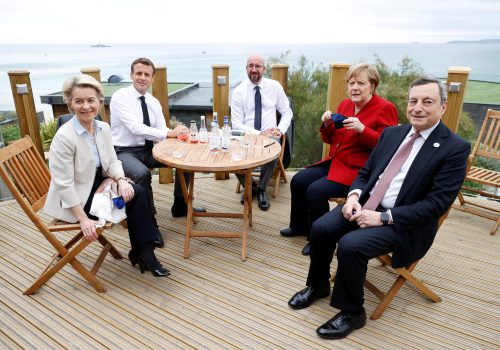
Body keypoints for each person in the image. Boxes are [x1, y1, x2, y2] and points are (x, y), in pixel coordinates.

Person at [287, 76, 470, 339]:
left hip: (404, 223)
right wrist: (353, 196)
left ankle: (352, 312)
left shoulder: (454, 148)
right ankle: (317, 286)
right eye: (413, 101)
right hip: (364, 205)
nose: (418, 107)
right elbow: (366, 171)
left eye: (427, 101)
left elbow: (436, 205)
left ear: (442, 107)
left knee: (351, 246)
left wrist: (383, 217)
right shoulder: (392, 134)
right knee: (321, 227)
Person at [44, 75, 169, 277]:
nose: (86, 106)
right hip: (75, 200)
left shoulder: (103, 128)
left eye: (91, 100)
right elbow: (63, 184)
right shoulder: (64, 137)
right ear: (70, 104)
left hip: (99, 186)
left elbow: (111, 161)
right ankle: (141, 253)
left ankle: (145, 252)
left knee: (137, 192)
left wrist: (121, 180)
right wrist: (83, 220)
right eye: (79, 101)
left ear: (100, 103)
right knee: (136, 198)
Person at [280, 63, 398, 255]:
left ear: (373, 86)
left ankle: (317, 238)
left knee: (316, 190)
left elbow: (388, 147)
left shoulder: (385, 108)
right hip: (336, 162)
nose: (355, 88)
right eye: (351, 83)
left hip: (358, 172)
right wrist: (326, 124)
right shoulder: (346, 104)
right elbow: (330, 139)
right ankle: (299, 226)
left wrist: (363, 130)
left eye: (361, 83)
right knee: (299, 180)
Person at [110, 58, 204, 248]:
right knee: (142, 174)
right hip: (124, 152)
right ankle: (150, 223)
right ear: (131, 76)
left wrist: (179, 135)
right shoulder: (120, 97)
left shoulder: (153, 101)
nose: (142, 78)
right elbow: (135, 128)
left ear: (152, 79)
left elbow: (161, 130)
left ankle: (180, 204)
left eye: (147, 74)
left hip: (150, 149)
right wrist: (169, 132)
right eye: (139, 73)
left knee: (185, 160)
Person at [231, 53, 293, 211]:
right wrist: (258, 134)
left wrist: (281, 129)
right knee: (230, 154)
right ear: (246, 69)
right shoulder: (239, 91)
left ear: (264, 69)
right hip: (247, 135)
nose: (254, 69)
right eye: (250, 66)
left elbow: (287, 112)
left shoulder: (274, 87)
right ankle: (250, 185)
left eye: (257, 66)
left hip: (270, 135)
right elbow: (236, 124)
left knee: (273, 149)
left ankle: (262, 189)